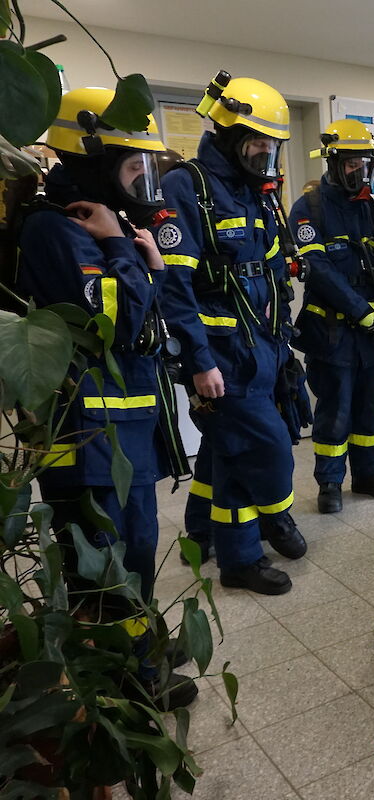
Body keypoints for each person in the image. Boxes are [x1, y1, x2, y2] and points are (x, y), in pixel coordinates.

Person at [19, 87, 195, 708]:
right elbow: (120, 326)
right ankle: (129, 685)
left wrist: (144, 257)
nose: (143, 185)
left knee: (138, 554)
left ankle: (138, 651)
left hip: (123, 432)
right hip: (89, 440)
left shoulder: (103, 227)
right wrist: (126, 250)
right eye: (131, 169)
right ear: (90, 163)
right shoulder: (57, 230)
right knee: (106, 569)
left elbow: (148, 326)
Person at [155, 73, 307, 595]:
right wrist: (198, 361)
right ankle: (247, 551)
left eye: (271, 145)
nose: (265, 154)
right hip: (220, 357)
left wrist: (281, 342)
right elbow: (174, 286)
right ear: (226, 133)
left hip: (261, 348)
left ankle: (201, 534)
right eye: (257, 142)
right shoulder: (187, 186)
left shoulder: (256, 193)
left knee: (226, 450)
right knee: (266, 452)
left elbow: (268, 273)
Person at [289, 119, 374, 514]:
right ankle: (329, 482)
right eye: (351, 164)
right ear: (333, 163)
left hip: (369, 335)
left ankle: (367, 474)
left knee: (367, 407)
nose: (360, 172)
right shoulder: (308, 209)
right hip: (331, 332)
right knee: (334, 409)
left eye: (365, 164)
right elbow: (319, 270)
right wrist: (359, 310)